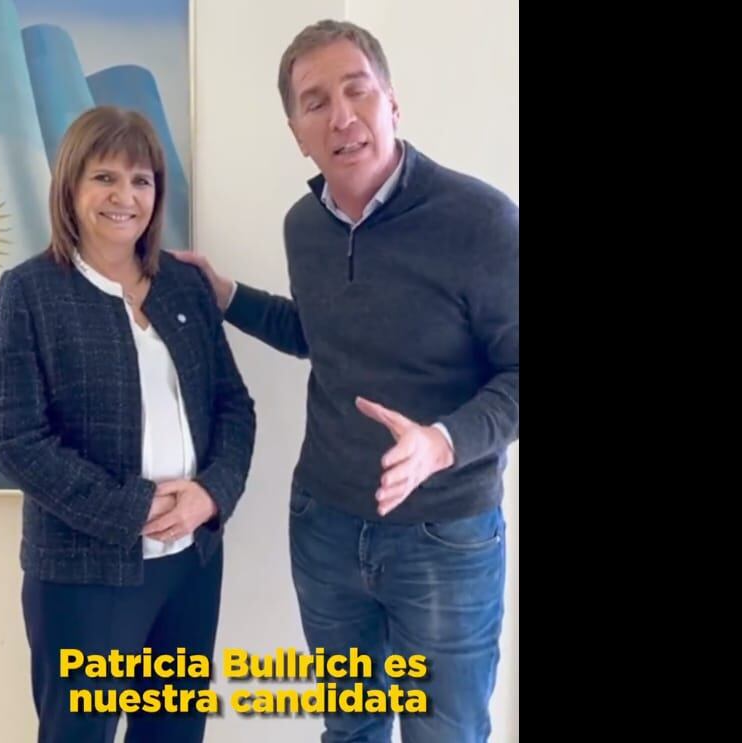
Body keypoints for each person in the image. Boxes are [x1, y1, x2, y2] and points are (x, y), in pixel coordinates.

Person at [175, 19, 518, 743]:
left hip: (445, 536)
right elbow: (317, 332)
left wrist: (441, 442)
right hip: (325, 525)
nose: (341, 116)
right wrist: (227, 295)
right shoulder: (305, 227)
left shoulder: (482, 221)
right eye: (315, 101)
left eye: (357, 91)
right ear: (297, 133)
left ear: (392, 102)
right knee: (350, 729)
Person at [0, 105, 256, 743]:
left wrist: (211, 494)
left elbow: (233, 406)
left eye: (141, 180)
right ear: (70, 187)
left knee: (174, 733)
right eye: (104, 177)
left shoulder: (184, 287)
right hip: (81, 574)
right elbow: (18, 441)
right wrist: (132, 508)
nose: (124, 197)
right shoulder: (29, 292)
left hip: (190, 565)